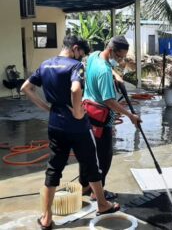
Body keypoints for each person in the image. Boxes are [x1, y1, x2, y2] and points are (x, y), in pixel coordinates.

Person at [21, 35, 119, 230]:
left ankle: (47, 217)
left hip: (55, 124)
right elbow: (76, 90)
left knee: (54, 169)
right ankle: (102, 204)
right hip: (78, 127)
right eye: (80, 54)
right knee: (92, 164)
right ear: (75, 48)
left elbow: (26, 88)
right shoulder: (75, 66)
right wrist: (77, 112)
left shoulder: (46, 64)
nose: (80, 59)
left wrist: (47, 108)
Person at [80, 36, 141, 200]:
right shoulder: (104, 72)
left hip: (86, 112)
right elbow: (109, 100)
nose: (121, 60)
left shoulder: (95, 56)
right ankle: (97, 193)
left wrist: (116, 75)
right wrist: (130, 115)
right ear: (111, 51)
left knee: (88, 153)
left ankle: (85, 186)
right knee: (104, 157)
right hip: (101, 119)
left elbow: (105, 66)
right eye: (120, 56)